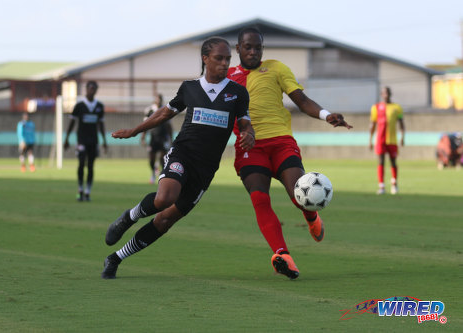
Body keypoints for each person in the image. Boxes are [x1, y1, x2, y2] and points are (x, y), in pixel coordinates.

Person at [101, 36, 255, 279]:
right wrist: (134, 130)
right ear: (205, 59)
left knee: (164, 221)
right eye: (219, 58)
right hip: (183, 154)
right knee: (164, 198)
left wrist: (249, 134)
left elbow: (246, 124)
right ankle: (128, 217)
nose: (225, 63)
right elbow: (165, 113)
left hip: (206, 169)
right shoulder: (190, 88)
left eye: (227, 59)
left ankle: (115, 258)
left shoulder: (237, 93)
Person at [227, 27, 352, 280]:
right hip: (250, 147)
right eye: (247, 47)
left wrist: (327, 115)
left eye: (257, 47)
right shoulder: (226, 77)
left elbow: (302, 100)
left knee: (299, 195)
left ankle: (311, 215)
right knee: (260, 199)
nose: (253, 52)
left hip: (281, 142)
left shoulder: (276, 68)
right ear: (237, 48)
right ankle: (282, 255)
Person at [64, 81, 108, 202]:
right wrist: (66, 139)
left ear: (96, 90)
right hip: (81, 140)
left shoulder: (99, 106)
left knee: (90, 166)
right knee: (81, 163)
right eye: (90, 88)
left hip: (93, 141)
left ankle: (88, 191)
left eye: (94, 88)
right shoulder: (79, 105)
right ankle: (80, 190)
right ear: (86, 89)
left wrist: (104, 141)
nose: (91, 90)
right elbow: (72, 123)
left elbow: (101, 124)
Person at [369, 86, 405, 194]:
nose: (386, 95)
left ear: (390, 93)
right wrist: (370, 140)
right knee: (381, 161)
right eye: (384, 93)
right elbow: (372, 124)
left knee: (393, 161)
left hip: (392, 140)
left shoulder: (396, 107)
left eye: (388, 92)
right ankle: (382, 186)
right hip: (380, 140)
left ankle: (394, 184)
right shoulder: (376, 107)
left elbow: (401, 124)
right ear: (381, 94)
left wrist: (402, 137)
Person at [140, 94, 173, 184]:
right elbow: (145, 124)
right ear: (154, 100)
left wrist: (171, 139)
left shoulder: (166, 109)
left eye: (160, 99)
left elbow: (169, 125)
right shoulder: (149, 110)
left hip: (163, 137)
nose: (158, 101)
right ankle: (153, 172)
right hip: (153, 138)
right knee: (151, 159)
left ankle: (161, 176)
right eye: (157, 99)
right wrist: (143, 137)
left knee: (163, 158)